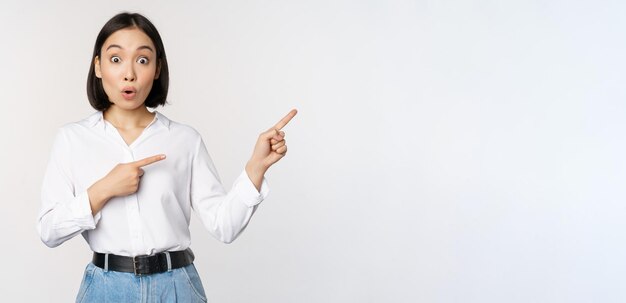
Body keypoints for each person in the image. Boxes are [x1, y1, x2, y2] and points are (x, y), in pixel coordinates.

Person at [37, 12, 296, 302]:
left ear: (157, 69)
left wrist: (256, 168)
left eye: (143, 60)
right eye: (116, 59)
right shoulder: (73, 139)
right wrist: (104, 189)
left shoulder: (184, 140)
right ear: (98, 66)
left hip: (177, 288)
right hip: (106, 290)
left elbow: (225, 226)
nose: (129, 73)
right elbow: (49, 231)